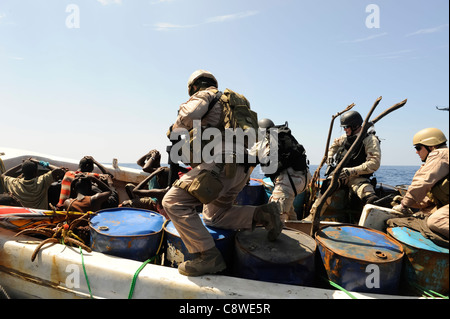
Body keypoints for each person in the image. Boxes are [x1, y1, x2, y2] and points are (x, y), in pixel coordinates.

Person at [162, 69, 282, 277]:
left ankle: (208, 256)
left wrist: (175, 127)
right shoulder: (233, 102)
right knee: (214, 217)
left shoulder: (205, 95)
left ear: (193, 87)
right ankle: (263, 214)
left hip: (219, 168)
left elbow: (190, 114)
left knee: (173, 202)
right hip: (241, 170)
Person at [388, 128, 449, 243]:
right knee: (420, 216)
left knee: (436, 221)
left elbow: (422, 182)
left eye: (418, 148)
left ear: (431, 146)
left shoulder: (439, 154)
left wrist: (403, 205)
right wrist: (409, 203)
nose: (416, 152)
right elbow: (430, 197)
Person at [251, 118, 312, 222]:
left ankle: (279, 237)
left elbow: (249, 158)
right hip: (304, 178)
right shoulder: (284, 136)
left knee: (274, 218)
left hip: (289, 182)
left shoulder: (265, 142)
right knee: (289, 212)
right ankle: (297, 230)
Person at [326, 110, 381, 205]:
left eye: (346, 127)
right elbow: (334, 145)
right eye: (344, 127)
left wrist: (351, 171)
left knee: (370, 198)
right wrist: (330, 155)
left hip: (358, 177)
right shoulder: (344, 138)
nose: (344, 130)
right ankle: (312, 216)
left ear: (355, 126)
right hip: (341, 175)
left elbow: (374, 164)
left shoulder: (370, 140)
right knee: (326, 188)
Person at [1, 158, 66, 209]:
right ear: (36, 172)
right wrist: (38, 162)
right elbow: (60, 171)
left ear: (22, 172)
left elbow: (3, 175)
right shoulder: (42, 180)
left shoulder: (14, 183)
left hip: (22, 219)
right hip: (41, 220)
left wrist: (21, 165)